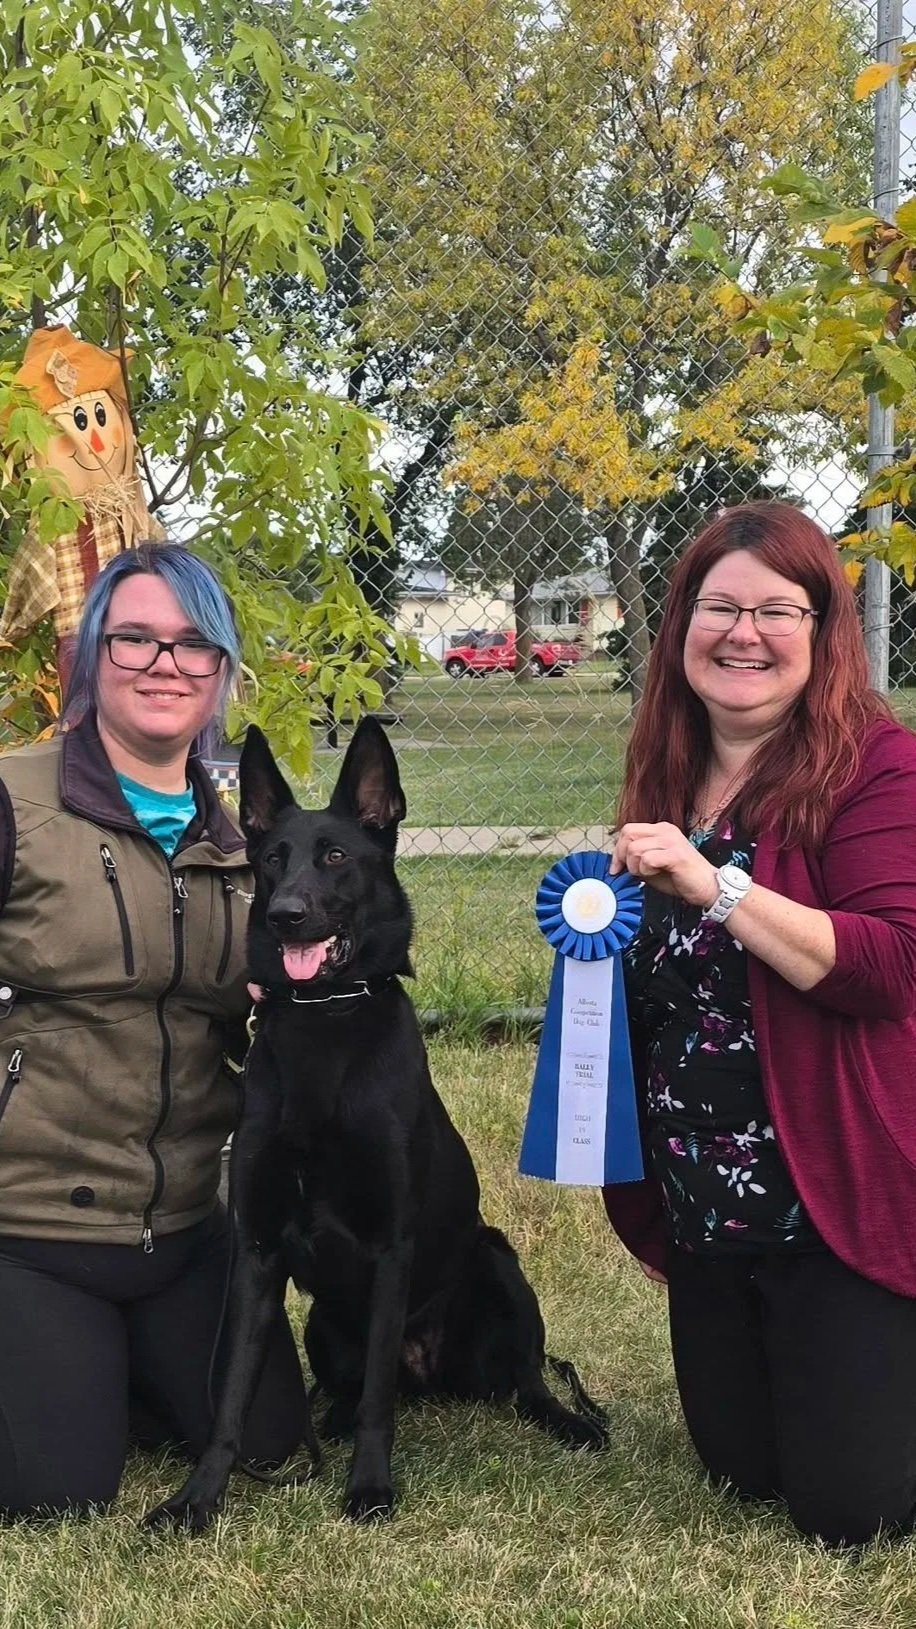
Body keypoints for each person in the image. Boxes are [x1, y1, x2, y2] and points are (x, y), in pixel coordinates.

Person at [605, 500, 916, 1547]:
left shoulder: (873, 764)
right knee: (739, 1472)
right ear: (681, 622)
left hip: (835, 1195)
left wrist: (716, 886)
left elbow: (888, 964)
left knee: (848, 1512)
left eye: (776, 610)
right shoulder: (667, 763)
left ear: (824, 631)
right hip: (707, 1207)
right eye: (719, 606)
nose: (743, 633)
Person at [0, 542, 309, 1517]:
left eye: (192, 644)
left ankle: (110, 1365)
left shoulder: (247, 842)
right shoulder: (18, 801)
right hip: (31, 1221)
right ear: (89, 657)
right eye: (134, 637)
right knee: (57, 1496)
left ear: (220, 673)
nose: (163, 663)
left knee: (274, 1451)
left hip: (186, 1226)